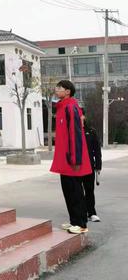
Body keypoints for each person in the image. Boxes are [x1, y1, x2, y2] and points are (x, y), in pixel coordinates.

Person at [50, 80, 92, 234]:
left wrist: (75, 159)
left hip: (72, 159)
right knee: (68, 191)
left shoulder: (71, 107)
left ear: (68, 91)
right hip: (64, 160)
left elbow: (75, 135)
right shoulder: (62, 107)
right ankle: (74, 221)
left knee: (76, 192)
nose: (56, 89)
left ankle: (81, 224)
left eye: (59, 87)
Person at [82, 118, 102, 222]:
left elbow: (97, 150)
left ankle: (91, 213)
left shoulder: (91, 131)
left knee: (89, 190)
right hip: (76, 166)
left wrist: (98, 166)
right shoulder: (72, 131)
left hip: (89, 165)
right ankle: (81, 213)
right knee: (78, 191)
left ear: (84, 117)